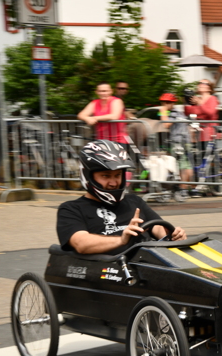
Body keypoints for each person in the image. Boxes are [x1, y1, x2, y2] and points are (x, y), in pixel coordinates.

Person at [57, 140, 186, 255]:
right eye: (106, 176)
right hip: (110, 271)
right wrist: (122, 240)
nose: (113, 183)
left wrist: (172, 235)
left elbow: (157, 227)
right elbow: (81, 243)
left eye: (117, 175)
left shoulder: (134, 201)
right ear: (88, 176)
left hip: (147, 262)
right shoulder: (71, 209)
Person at [158, 93, 192, 200]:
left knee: (182, 166)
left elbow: (166, 124)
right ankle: (181, 189)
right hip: (181, 141)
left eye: (167, 102)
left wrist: (163, 111)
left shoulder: (174, 113)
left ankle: (182, 190)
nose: (165, 104)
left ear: (172, 103)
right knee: (184, 166)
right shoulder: (177, 112)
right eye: (163, 102)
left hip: (179, 142)